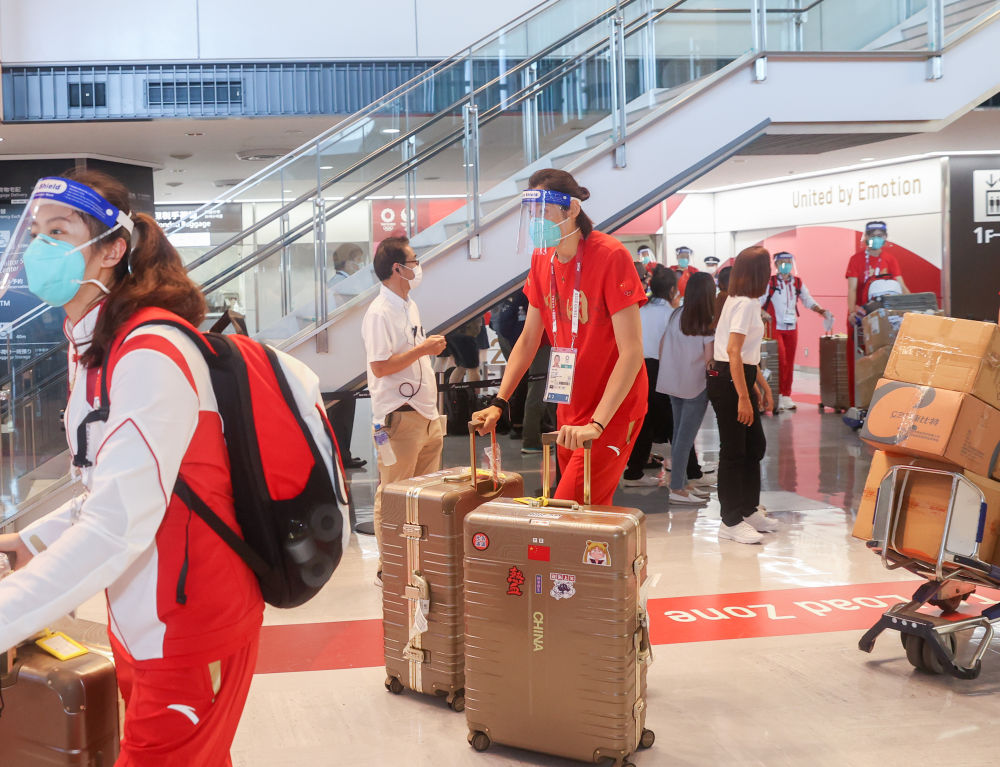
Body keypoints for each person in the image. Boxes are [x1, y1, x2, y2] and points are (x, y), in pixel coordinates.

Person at [0, 170, 264, 763]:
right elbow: (108, 486)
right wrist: (33, 540)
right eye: (37, 233)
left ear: (113, 249)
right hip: (148, 612)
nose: (41, 249)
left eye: (60, 231)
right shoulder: (98, 347)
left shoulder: (149, 353)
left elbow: (116, 524)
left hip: (189, 624)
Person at [472, 168, 647, 505]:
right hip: (570, 406)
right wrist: (499, 401)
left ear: (572, 210)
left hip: (611, 410)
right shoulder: (543, 259)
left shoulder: (610, 256)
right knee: (587, 515)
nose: (537, 220)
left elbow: (632, 352)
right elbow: (528, 340)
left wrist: (597, 422)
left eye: (545, 212)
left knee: (569, 511)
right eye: (532, 213)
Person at [361, 236, 446, 585]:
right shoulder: (379, 312)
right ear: (397, 268)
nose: (417, 267)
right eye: (413, 261)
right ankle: (390, 565)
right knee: (395, 492)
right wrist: (423, 350)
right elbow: (380, 366)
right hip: (399, 416)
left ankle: (418, 559)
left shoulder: (408, 304)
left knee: (425, 493)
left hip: (425, 411)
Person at [707, 246, 779, 544]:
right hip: (729, 381)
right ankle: (730, 520)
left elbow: (744, 355)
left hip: (737, 375)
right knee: (734, 450)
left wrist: (760, 385)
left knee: (754, 446)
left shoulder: (740, 300)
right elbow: (733, 352)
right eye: (769, 266)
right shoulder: (745, 304)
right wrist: (744, 396)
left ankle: (748, 510)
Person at [658, 272, 717, 506]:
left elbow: (663, 346)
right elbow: (710, 361)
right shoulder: (707, 321)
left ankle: (682, 482)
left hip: (673, 384)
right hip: (695, 387)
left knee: (680, 435)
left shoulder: (677, 315)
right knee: (685, 438)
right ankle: (677, 488)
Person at [844, 221, 909, 406]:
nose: (876, 239)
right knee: (858, 360)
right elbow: (852, 289)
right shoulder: (856, 260)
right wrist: (851, 311)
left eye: (880, 235)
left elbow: (901, 284)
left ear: (886, 238)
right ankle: (856, 403)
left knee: (885, 358)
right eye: (872, 235)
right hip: (861, 315)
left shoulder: (890, 260)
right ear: (866, 238)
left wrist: (914, 303)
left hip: (884, 318)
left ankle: (882, 402)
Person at [622, 269, 676, 487]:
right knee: (673, 422)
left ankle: (635, 469)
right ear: (672, 290)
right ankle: (688, 468)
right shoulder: (670, 313)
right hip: (659, 369)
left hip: (636, 367)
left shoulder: (642, 309)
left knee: (644, 421)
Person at [760, 251, 830, 412]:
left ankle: (786, 394)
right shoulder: (770, 282)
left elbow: (807, 299)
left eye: (789, 261)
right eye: (782, 262)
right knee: (780, 360)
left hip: (791, 326)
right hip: (774, 326)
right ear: (776, 265)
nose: (786, 265)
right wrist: (762, 312)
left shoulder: (797, 283)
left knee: (790, 361)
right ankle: (775, 394)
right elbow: (759, 300)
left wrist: (820, 310)